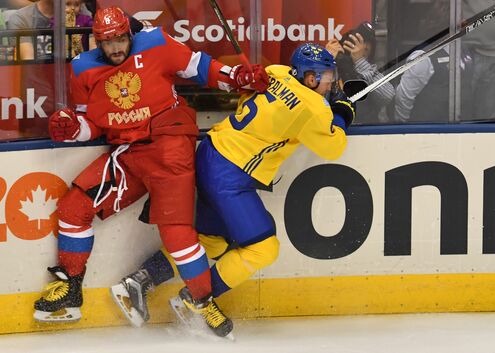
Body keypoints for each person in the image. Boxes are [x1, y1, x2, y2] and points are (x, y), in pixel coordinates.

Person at [32, 6, 268, 339]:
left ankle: (203, 301)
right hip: (127, 155)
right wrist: (72, 129)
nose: (114, 48)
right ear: (97, 41)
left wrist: (237, 78)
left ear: (129, 34)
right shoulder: (83, 69)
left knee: (177, 235)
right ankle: (70, 289)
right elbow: (91, 124)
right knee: (73, 208)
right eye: (106, 42)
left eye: (119, 39)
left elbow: (200, 68)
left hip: (170, 150)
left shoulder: (157, 44)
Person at [109, 43, 354, 330]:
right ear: (310, 78)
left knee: (213, 241)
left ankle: (136, 283)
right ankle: (197, 299)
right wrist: (342, 110)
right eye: (326, 75)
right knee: (263, 248)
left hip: (211, 152)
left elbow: (262, 94)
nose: (330, 81)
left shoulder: (275, 72)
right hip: (229, 176)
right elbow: (334, 145)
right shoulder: (313, 107)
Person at [326, 21, 394, 124]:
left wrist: (359, 61)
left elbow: (388, 95)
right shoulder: (331, 68)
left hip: (365, 132)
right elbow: (314, 96)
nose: (362, 47)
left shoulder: (370, 71)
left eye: (367, 45)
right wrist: (327, 60)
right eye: (357, 41)